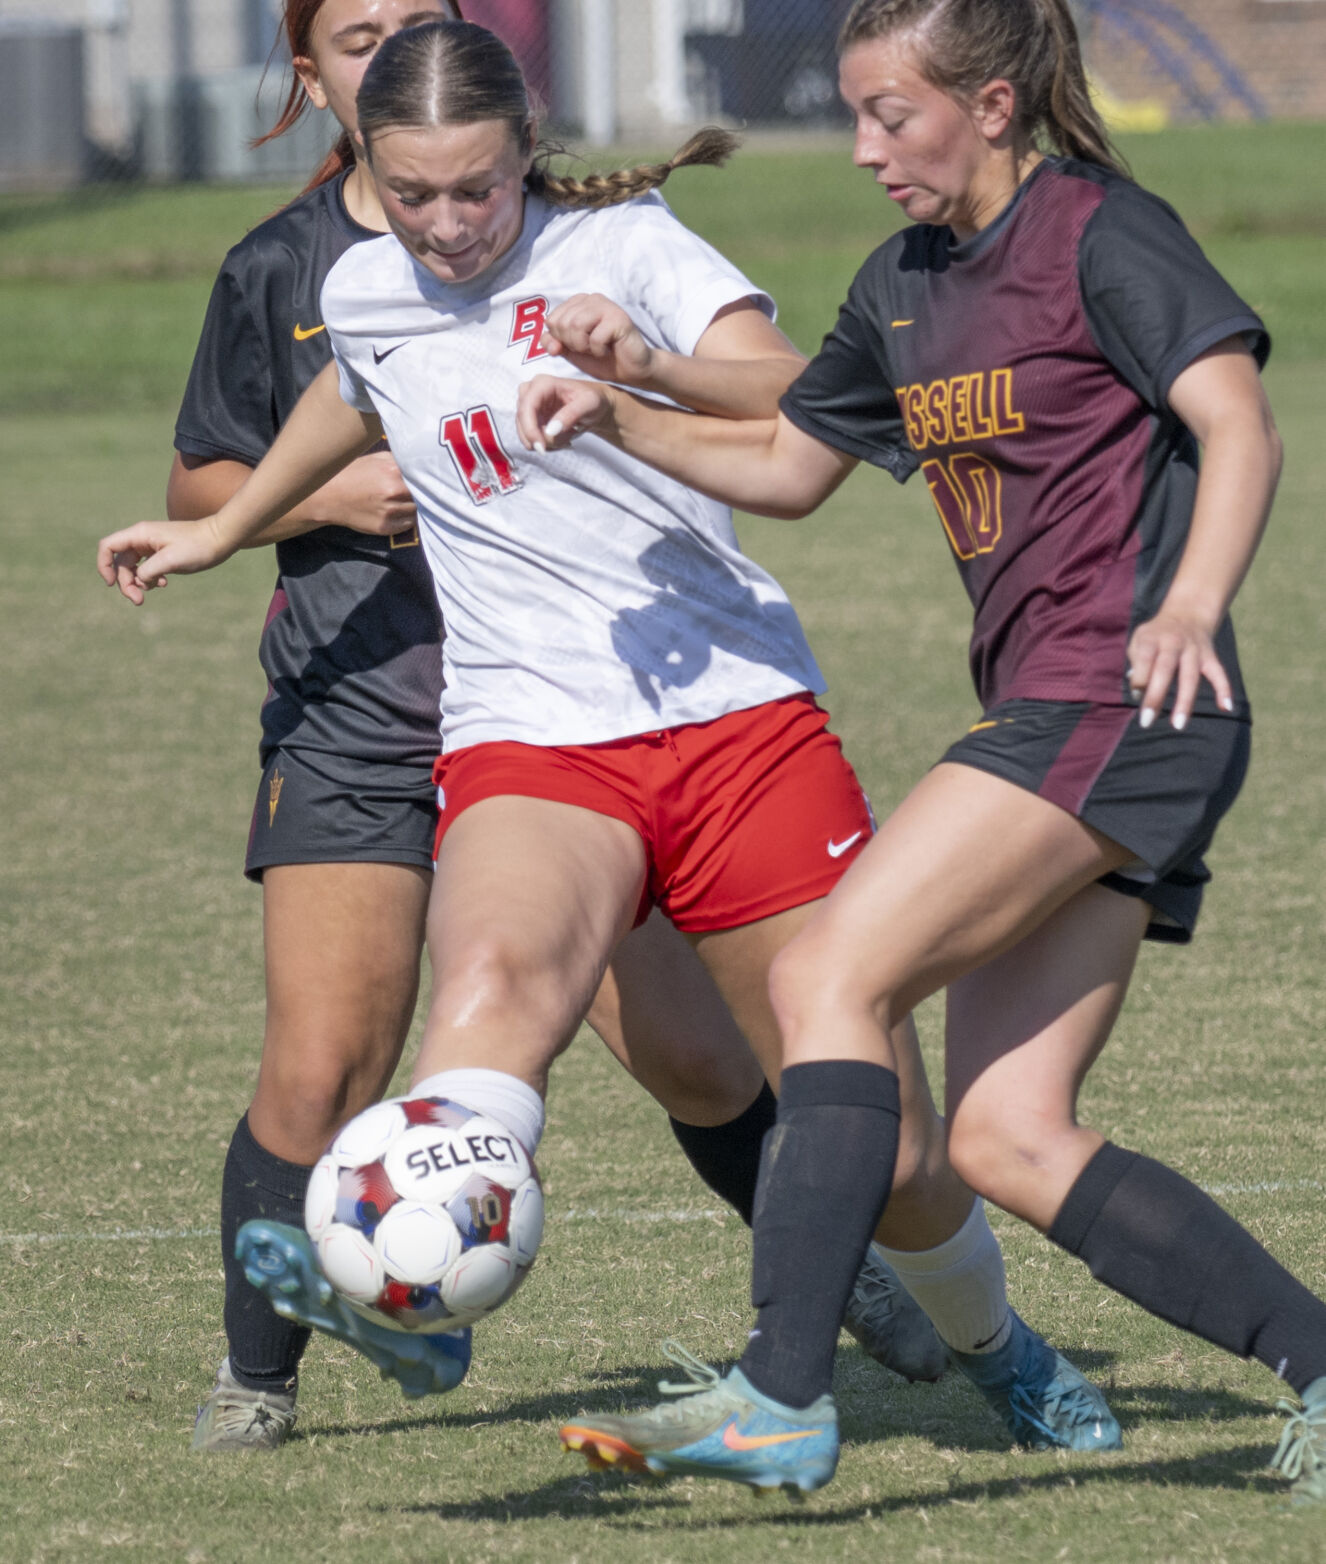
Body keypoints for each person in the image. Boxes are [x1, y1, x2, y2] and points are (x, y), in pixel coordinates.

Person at [99, 15, 1117, 1467]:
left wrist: (637, 361)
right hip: (527, 734)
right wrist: (221, 527)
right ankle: (414, 1295)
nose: (447, 226)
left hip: (734, 725)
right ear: (367, 171)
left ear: (531, 154)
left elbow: (798, 389)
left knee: (889, 1145)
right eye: (411, 195)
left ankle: (994, 1346)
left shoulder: (626, 239)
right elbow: (352, 390)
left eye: (478, 190)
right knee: (498, 981)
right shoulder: (366, 285)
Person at [518, 0, 1326, 1504]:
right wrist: (621, 414)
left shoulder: (1098, 229)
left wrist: (1193, 601)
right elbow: (788, 461)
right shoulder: (902, 282)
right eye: (856, 113)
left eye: (895, 113)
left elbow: (1239, 423)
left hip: (1115, 697)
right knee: (1011, 1139)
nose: (867, 146)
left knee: (830, 977)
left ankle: (779, 1392)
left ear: (1000, 103)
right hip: (1058, 708)